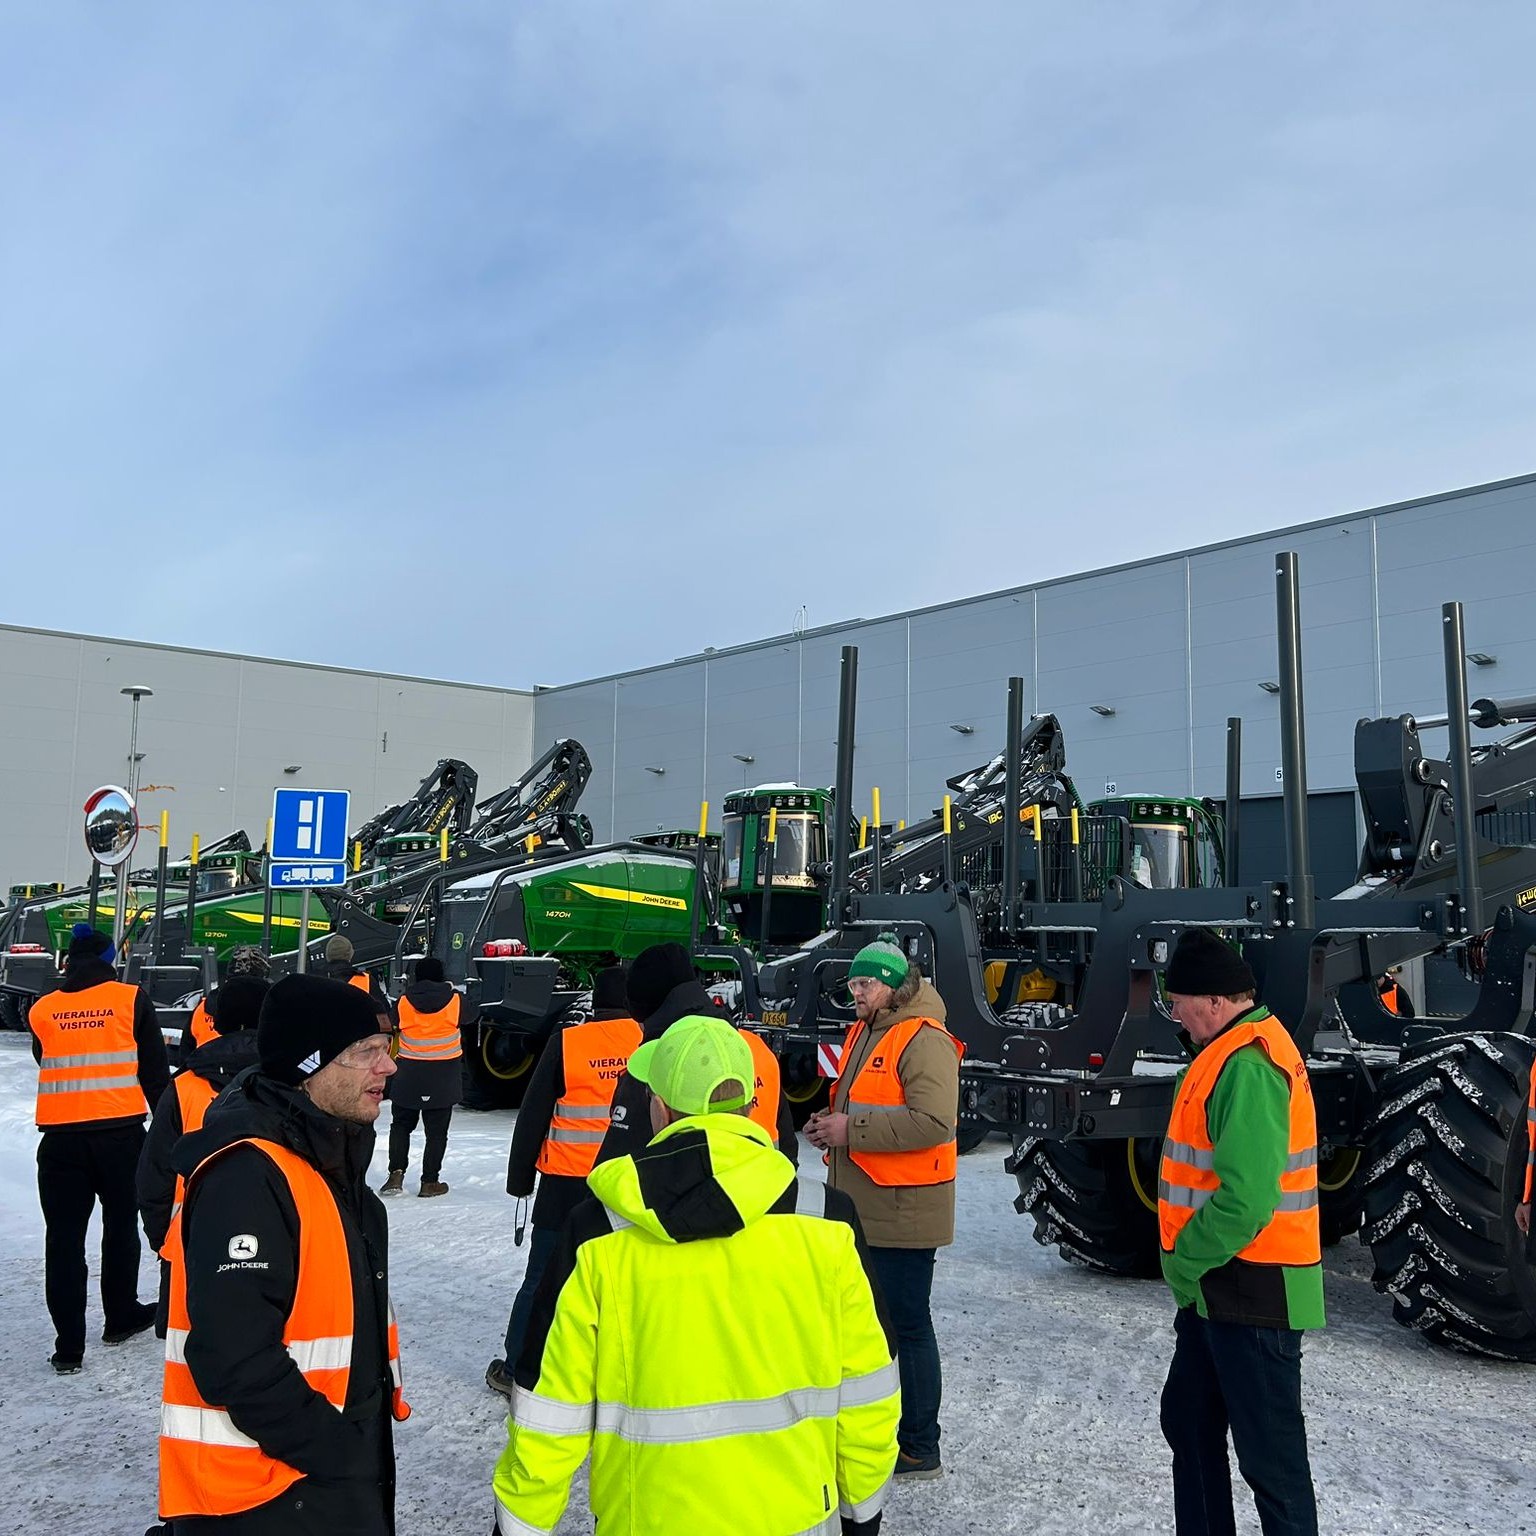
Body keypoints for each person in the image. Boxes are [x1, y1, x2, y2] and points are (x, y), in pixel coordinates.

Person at [492, 1014, 899, 1536]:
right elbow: (869, 1391)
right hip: (798, 1520)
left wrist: (519, 1525)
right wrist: (862, 1513)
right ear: (749, 1105)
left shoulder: (597, 1234)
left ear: (660, 1109)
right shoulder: (828, 1221)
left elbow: (549, 1415)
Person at [155, 974, 410, 1534]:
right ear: (308, 1065)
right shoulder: (249, 1177)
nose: (388, 1066)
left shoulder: (329, 1163)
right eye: (366, 1051)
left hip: (318, 1478)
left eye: (386, 1047)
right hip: (266, 1493)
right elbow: (233, 1357)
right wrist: (338, 1454)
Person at [1157, 928, 1323, 1536]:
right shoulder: (1225, 1052)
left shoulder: (1248, 1065)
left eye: (1179, 1002)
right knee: (1189, 1423)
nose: (1174, 1013)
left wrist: (1183, 1261)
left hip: (1254, 1290)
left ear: (1215, 1000)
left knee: (1271, 1463)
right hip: (1221, 1287)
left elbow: (1247, 1201)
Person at [805, 933, 961, 1482]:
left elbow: (936, 1123)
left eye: (866, 984)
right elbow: (859, 1105)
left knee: (908, 1327)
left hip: (904, 1212)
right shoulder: (868, 1030)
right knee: (874, 1328)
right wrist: (828, 1127)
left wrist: (851, 1129)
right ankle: (888, 1434)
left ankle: (919, 1445)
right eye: (852, 983)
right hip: (868, 1207)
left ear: (893, 986)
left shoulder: (925, 1039)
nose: (856, 993)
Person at [485, 965, 637, 1396]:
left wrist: (520, 1180)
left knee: (542, 1279)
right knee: (621, 1281)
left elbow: (533, 1114)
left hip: (565, 1184)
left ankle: (517, 1368)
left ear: (595, 1002)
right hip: (626, 1185)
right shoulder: (651, 1046)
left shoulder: (569, 1043)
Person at [29, 922, 169, 1374]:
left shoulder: (44, 1007)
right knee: (121, 1225)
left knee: (63, 1239)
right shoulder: (130, 1000)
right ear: (111, 960)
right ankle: (120, 1316)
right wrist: (171, 1130)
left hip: (59, 1141)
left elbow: (44, 1057)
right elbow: (154, 1072)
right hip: (120, 1136)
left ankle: (68, 1347)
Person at [137, 973, 269, 1337]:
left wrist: (163, 1241)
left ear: (219, 1021)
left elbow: (154, 1175)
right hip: (281, 1244)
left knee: (191, 1354)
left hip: (190, 1243)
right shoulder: (294, 1083)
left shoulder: (184, 1087)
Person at [592, 940, 797, 1169]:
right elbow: (787, 1147)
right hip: (767, 1185)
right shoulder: (755, 1048)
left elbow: (613, 1168)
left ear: (646, 1014)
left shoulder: (657, 1065)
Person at [380, 955, 463, 1198]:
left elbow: (391, 1023)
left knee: (401, 1125)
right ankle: (429, 1182)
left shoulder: (404, 1002)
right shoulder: (456, 1001)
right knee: (436, 1133)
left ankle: (395, 1175)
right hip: (443, 1078)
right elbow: (472, 1015)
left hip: (409, 1076)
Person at [322, 932, 386, 1006]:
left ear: (327, 955)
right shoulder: (366, 981)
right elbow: (383, 1010)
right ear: (351, 955)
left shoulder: (315, 980)